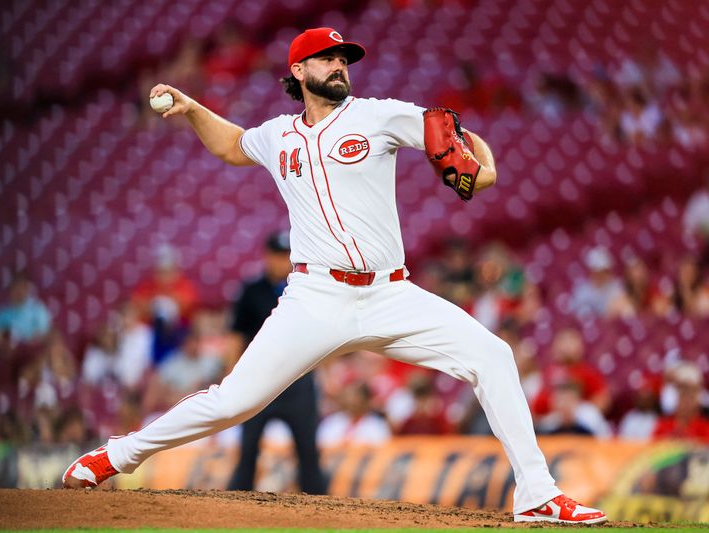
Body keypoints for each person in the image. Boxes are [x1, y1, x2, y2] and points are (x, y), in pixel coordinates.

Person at [63, 27, 607, 525]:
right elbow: (232, 145)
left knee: (494, 356)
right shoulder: (279, 136)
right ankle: (114, 456)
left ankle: (537, 494)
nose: (340, 65)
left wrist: (471, 157)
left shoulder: (377, 115)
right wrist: (192, 107)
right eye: (327, 58)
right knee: (233, 402)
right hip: (315, 296)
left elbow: (445, 135)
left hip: (390, 292)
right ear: (298, 71)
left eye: (344, 58)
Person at [226, 231, 326, 494]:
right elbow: (237, 335)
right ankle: (234, 502)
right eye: (278, 255)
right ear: (266, 256)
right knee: (248, 449)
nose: (283, 261)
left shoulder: (307, 288)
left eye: (287, 256)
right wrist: (232, 376)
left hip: (298, 381)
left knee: (308, 451)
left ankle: (319, 509)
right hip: (259, 379)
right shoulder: (251, 291)